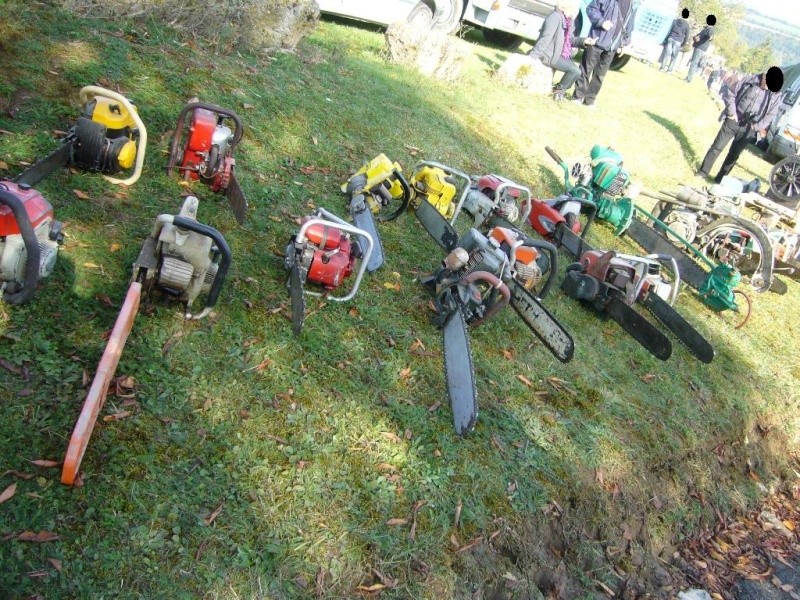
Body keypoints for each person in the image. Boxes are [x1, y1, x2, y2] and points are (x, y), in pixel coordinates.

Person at [698, 66, 784, 183]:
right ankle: (703, 172)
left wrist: (757, 126)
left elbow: (771, 115)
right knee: (716, 147)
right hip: (733, 120)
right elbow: (731, 93)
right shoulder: (749, 80)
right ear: (764, 76)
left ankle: (720, 180)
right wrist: (731, 113)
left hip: (749, 128)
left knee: (733, 156)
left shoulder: (775, 95)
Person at [572, 0, 636, 107]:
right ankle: (577, 97)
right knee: (586, 69)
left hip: (613, 45)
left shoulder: (632, 4)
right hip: (597, 40)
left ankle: (590, 100)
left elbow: (629, 26)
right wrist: (601, 22)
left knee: (600, 75)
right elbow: (591, 9)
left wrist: (626, 44)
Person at [528, 0, 595, 101]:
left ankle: (559, 89)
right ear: (566, 7)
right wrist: (533, 57)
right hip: (548, 54)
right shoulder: (555, 17)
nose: (574, 11)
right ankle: (558, 91)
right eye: (573, 9)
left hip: (557, 54)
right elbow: (545, 38)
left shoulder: (568, 20)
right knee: (574, 70)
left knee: (577, 71)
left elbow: (571, 39)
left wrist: (584, 41)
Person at [660, 8, 691, 73]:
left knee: (666, 54)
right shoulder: (687, 25)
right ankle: (669, 70)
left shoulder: (675, 21)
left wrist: (666, 38)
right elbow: (687, 36)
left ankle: (662, 68)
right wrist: (683, 43)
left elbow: (669, 30)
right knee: (674, 57)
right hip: (678, 41)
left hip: (671, 38)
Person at [686, 15, 715, 82]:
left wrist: (709, 37)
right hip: (698, 46)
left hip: (700, 47)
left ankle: (689, 79)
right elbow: (699, 35)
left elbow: (710, 37)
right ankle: (688, 77)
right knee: (693, 62)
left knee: (694, 62)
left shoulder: (710, 29)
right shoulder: (706, 28)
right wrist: (696, 37)